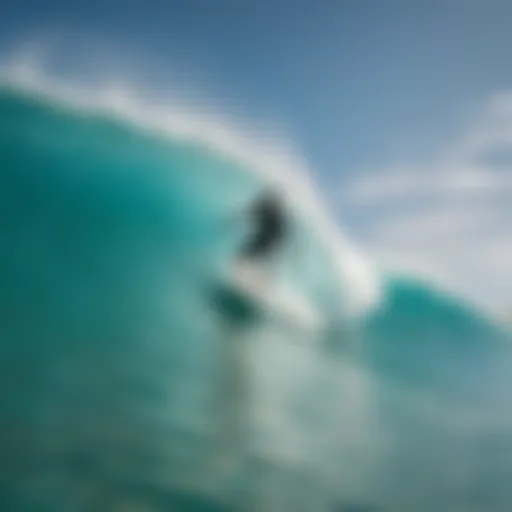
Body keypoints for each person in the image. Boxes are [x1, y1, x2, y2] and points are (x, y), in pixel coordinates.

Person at [238, 189, 287, 263]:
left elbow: (278, 232)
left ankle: (245, 261)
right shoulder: (270, 210)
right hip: (267, 236)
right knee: (253, 249)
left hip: (268, 237)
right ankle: (244, 260)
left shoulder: (274, 213)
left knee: (255, 249)